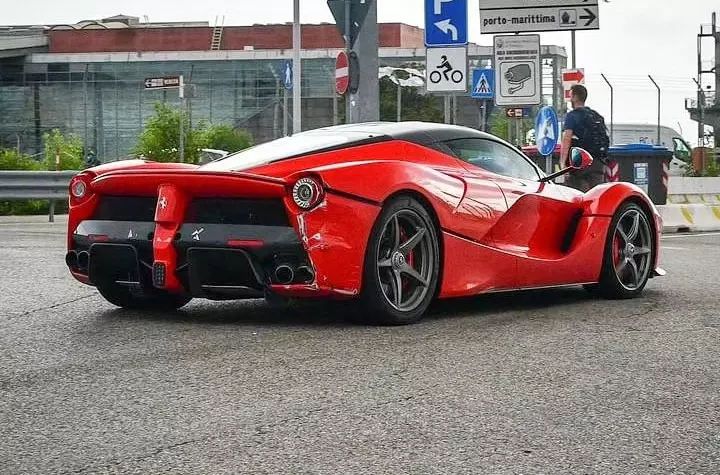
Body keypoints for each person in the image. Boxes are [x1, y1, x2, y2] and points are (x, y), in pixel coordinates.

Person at [560, 84, 610, 192]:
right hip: (598, 162)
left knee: (574, 195)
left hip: (580, 162)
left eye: (570, 95)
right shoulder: (596, 116)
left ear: (574, 97)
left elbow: (567, 139)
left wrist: (563, 163)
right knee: (596, 195)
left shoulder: (572, 116)